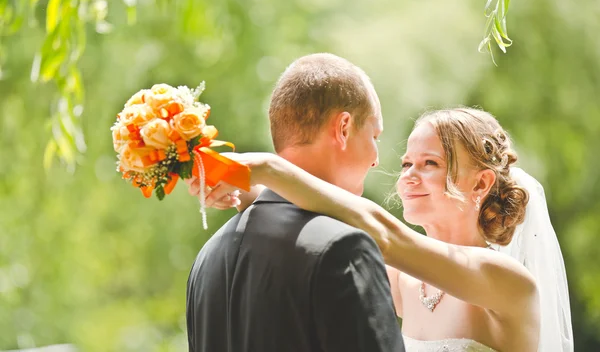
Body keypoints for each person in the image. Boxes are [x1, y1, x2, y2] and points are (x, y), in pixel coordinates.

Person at [194, 107, 573, 351]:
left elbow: (384, 236)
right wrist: (248, 193)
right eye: (407, 163)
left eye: (430, 163)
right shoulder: (403, 280)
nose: (408, 176)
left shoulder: (506, 280)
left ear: (480, 184)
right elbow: (323, 227)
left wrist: (265, 167)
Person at [185, 53, 405, 352]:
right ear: (343, 128)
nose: (376, 159)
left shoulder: (207, 257)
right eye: (374, 135)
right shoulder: (343, 247)